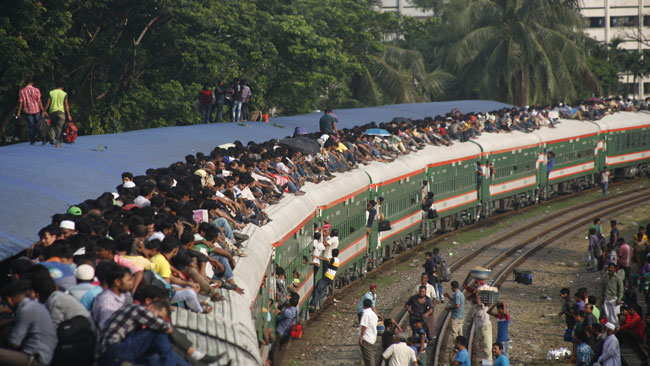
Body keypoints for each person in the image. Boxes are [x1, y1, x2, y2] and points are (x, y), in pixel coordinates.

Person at [97, 300, 176, 366]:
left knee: (153, 361)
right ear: (151, 307)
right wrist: (169, 328)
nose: (159, 319)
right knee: (156, 331)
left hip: (107, 354)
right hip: (112, 350)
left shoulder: (132, 310)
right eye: (159, 316)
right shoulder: (139, 309)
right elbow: (164, 326)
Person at [0, 280, 58, 366]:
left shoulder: (26, 310)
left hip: (35, 358)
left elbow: (14, 343)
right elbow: (12, 321)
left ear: (9, 300)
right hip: (45, 356)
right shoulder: (36, 306)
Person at [43, 82, 72, 148]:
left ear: (56, 86)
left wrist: (44, 111)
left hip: (52, 112)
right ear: (62, 87)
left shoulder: (51, 92)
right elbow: (66, 105)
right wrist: (69, 114)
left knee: (52, 125)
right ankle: (58, 143)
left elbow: (48, 103)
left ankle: (52, 138)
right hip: (61, 113)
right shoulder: (64, 94)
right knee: (59, 127)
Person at [17, 80, 46, 145]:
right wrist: (43, 110)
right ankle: (40, 137)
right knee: (39, 124)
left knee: (31, 125)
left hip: (28, 110)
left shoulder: (22, 91)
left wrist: (19, 111)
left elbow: (21, 102)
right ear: (32, 83)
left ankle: (32, 140)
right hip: (37, 109)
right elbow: (39, 101)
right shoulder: (36, 90)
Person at [602, 263, 624, 327]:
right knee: (608, 315)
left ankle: (616, 328)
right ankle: (610, 328)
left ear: (615, 268)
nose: (610, 269)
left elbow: (621, 289)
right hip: (606, 298)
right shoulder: (606, 276)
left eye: (611, 267)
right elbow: (603, 287)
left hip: (614, 298)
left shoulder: (618, 278)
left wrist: (619, 298)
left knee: (615, 315)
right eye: (609, 268)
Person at [359, 298, 379, 366]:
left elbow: (364, 327)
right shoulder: (373, 314)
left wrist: (361, 337)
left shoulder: (366, 314)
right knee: (368, 357)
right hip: (372, 337)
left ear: (363, 305)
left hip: (366, 338)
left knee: (369, 358)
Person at [473, 292, 492, 359]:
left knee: (487, 346)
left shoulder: (483, 306)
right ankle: (485, 362)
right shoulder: (476, 307)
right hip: (480, 328)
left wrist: (477, 294)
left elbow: (479, 303)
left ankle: (488, 363)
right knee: (484, 347)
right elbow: (468, 298)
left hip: (485, 327)